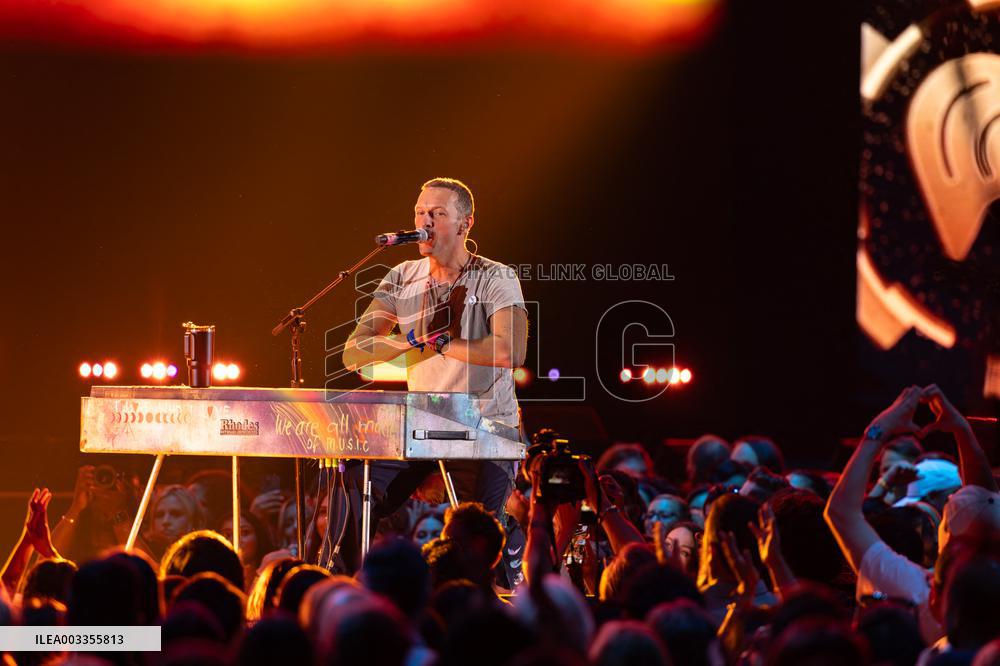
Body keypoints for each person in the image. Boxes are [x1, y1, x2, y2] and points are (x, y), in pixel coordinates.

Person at [339, 177, 528, 572]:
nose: (425, 221)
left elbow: (511, 351)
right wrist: (413, 340)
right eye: (420, 212)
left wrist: (442, 343)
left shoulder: (497, 277)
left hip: (485, 426)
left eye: (438, 214)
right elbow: (354, 352)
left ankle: (506, 542)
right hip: (422, 424)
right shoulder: (401, 276)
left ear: (465, 224)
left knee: (476, 537)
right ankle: (352, 587)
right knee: (352, 484)